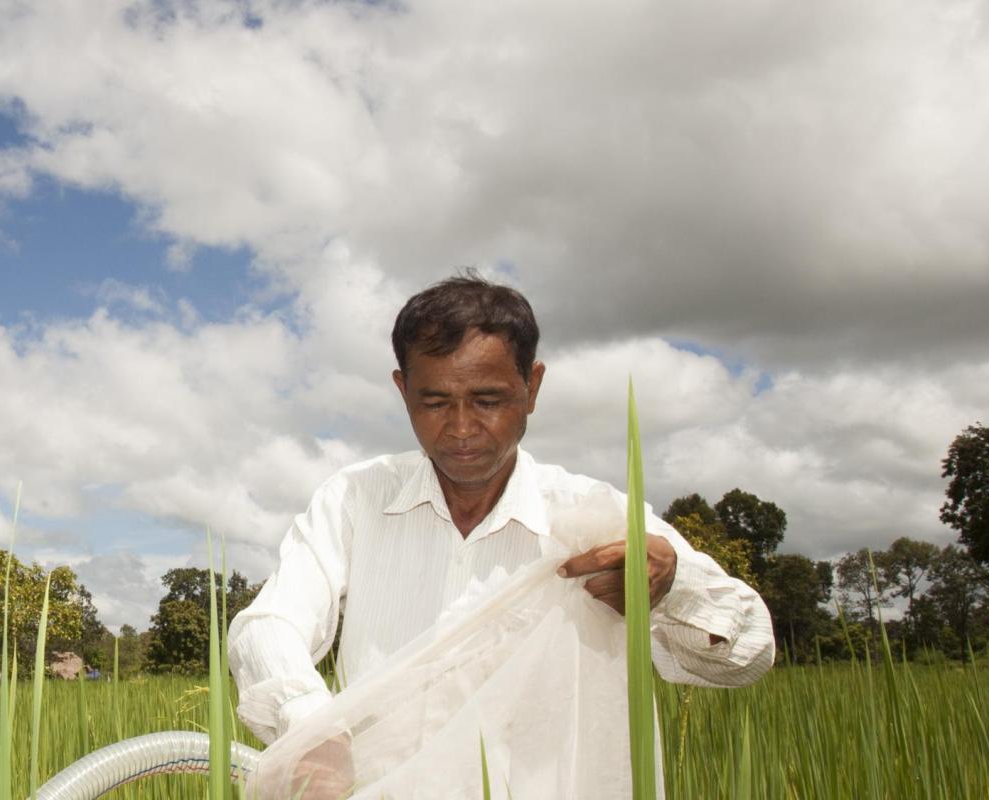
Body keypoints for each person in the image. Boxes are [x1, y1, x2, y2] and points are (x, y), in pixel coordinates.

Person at [227, 274, 774, 794]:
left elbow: (748, 654)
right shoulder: (355, 499)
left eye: (488, 401)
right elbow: (268, 624)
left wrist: (674, 586)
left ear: (531, 387)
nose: (462, 428)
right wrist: (312, 728)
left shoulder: (590, 517)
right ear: (402, 389)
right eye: (434, 402)